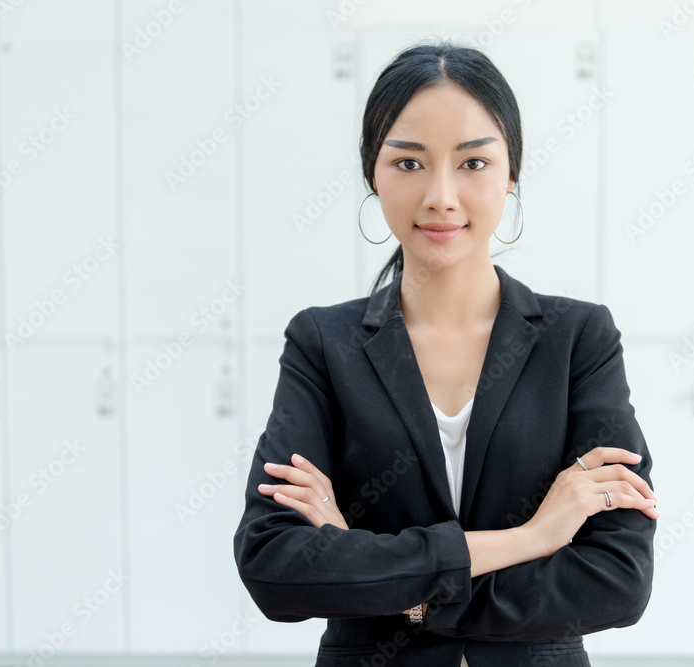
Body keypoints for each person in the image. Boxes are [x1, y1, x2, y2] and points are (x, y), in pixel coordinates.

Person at [233, 40, 658, 667]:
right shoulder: (324, 345)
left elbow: (618, 579)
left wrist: (388, 585)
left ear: (511, 174)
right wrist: (531, 538)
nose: (441, 195)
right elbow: (274, 567)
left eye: (472, 164)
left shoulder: (577, 340)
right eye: (408, 164)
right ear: (372, 174)